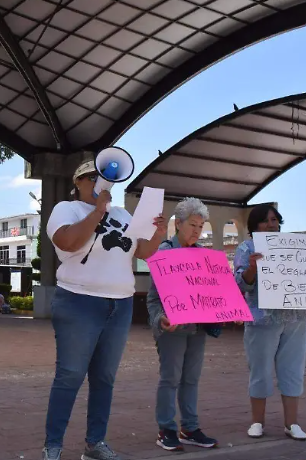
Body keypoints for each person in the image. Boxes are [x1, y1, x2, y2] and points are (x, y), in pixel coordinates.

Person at [41, 159, 166, 460]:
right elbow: (68, 242)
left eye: (107, 180)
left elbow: (143, 252)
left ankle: (95, 443)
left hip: (120, 303)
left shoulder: (122, 214)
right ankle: (53, 445)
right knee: (70, 375)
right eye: (94, 178)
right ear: (78, 182)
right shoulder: (66, 209)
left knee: (104, 377)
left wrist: (159, 233)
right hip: (79, 301)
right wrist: (97, 212)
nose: (102, 184)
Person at [234, 204, 306, 441]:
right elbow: (240, 285)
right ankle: (257, 422)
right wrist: (252, 268)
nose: (272, 224)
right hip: (262, 320)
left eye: (275, 220)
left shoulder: (293, 247)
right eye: (266, 220)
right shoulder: (246, 248)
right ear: (255, 225)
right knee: (260, 371)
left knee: (293, 369)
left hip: (294, 318)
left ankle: (292, 423)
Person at [146, 197, 219, 452]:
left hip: (197, 328)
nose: (197, 231)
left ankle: (189, 428)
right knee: (171, 378)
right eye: (192, 225)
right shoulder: (164, 252)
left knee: (191, 379)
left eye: (200, 226)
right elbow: (154, 298)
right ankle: (166, 429)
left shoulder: (204, 256)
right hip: (173, 328)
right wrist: (160, 319)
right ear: (178, 224)